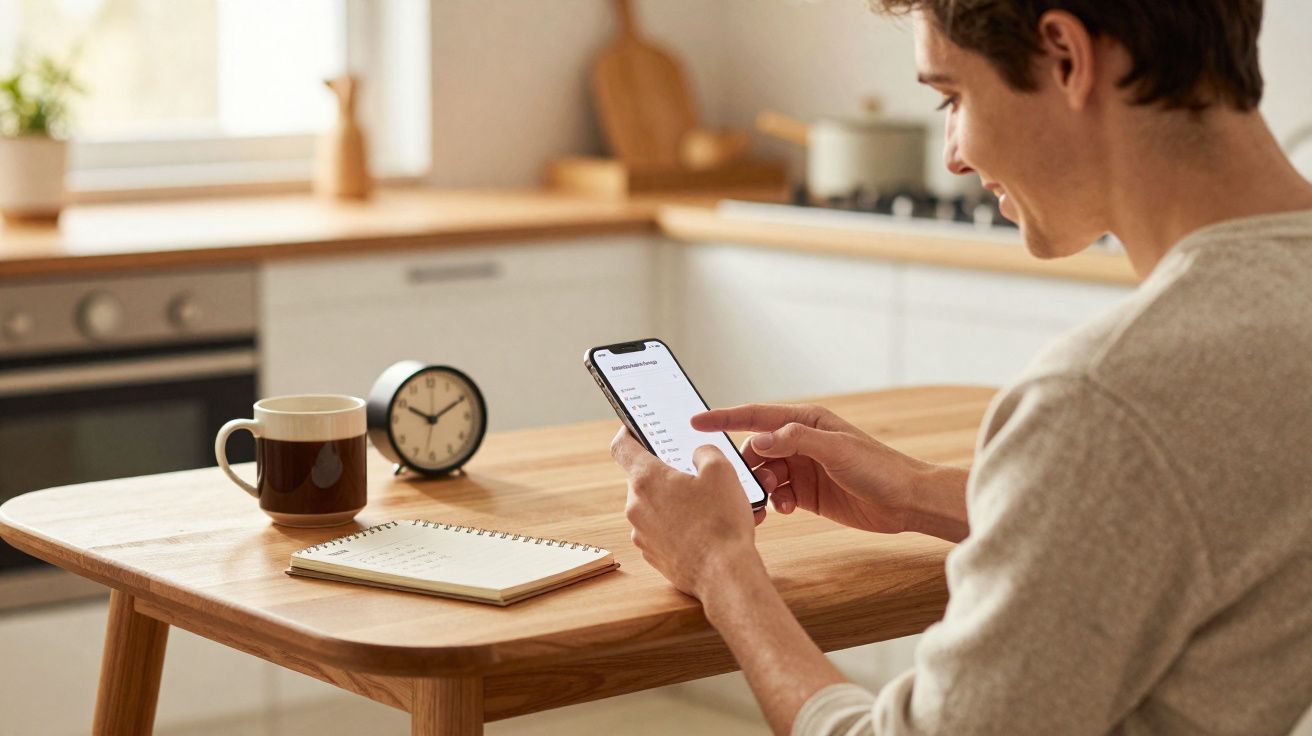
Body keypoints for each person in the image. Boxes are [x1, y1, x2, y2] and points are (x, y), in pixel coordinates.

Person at [608, 1, 1312, 734]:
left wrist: (720, 566)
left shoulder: (1105, 399)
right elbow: (1217, 510)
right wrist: (920, 493)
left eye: (952, 97)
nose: (953, 155)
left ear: (1066, 57)